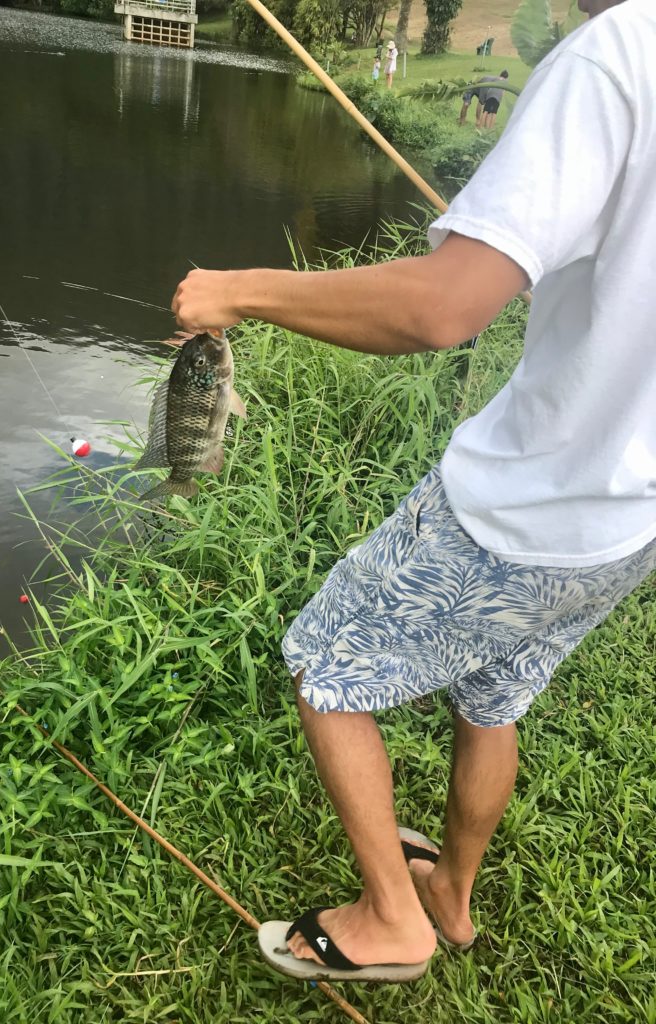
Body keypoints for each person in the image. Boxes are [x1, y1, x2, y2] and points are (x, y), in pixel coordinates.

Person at [171, 0, 650, 984]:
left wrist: (239, 290)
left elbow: (443, 310)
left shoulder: (623, 52)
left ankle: (394, 917)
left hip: (523, 507)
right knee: (497, 692)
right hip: (627, 521)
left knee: (323, 665)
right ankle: (454, 898)